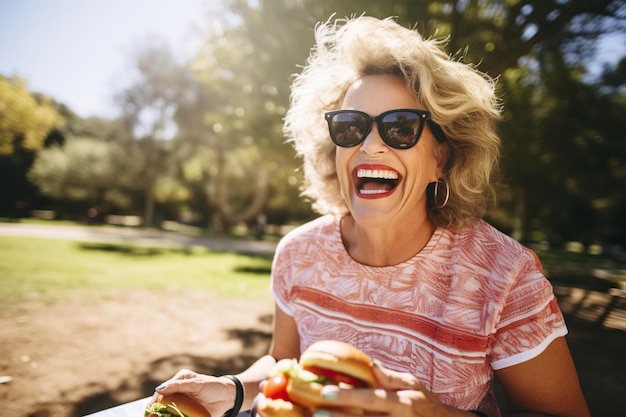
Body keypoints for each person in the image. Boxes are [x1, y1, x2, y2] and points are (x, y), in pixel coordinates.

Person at [151, 16, 590, 417]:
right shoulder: (299, 253)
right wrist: (235, 388)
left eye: (400, 127)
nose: (370, 145)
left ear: (441, 157)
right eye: (350, 126)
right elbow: (286, 366)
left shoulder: (505, 275)